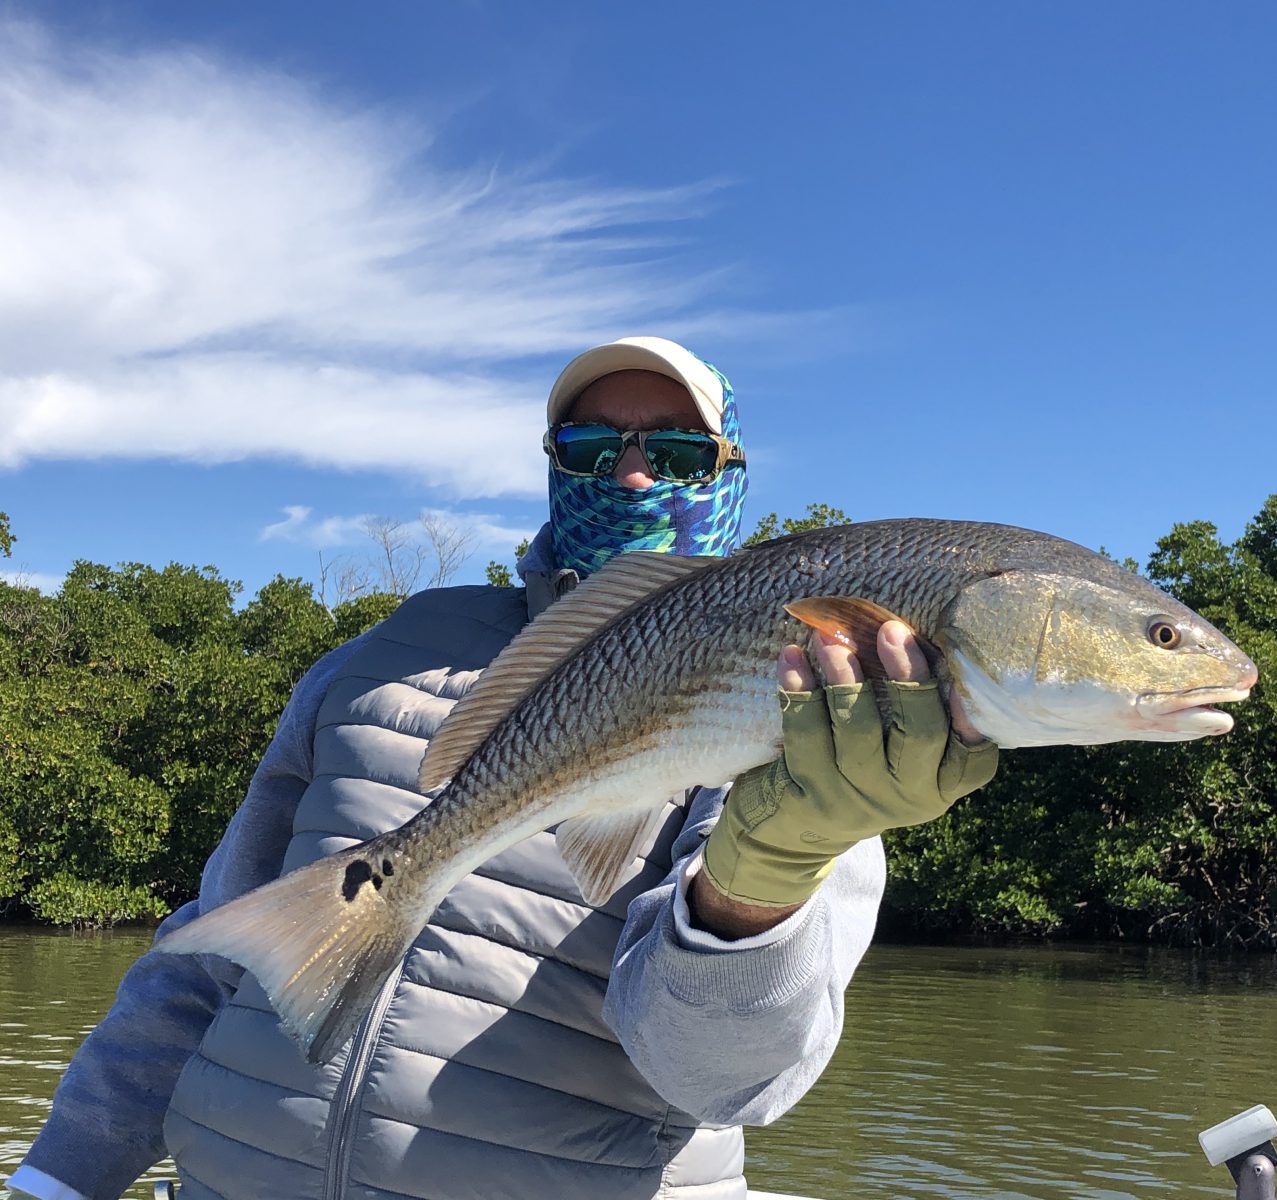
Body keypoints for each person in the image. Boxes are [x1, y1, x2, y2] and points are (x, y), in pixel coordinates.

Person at [7, 337, 997, 1200]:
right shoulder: (387, 651)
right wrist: (61, 1174)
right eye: (591, 448)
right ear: (551, 464)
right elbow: (205, 963)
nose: (635, 477)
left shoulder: (825, 708)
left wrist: (768, 874)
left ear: (729, 468)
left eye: (680, 450)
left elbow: (726, 1084)